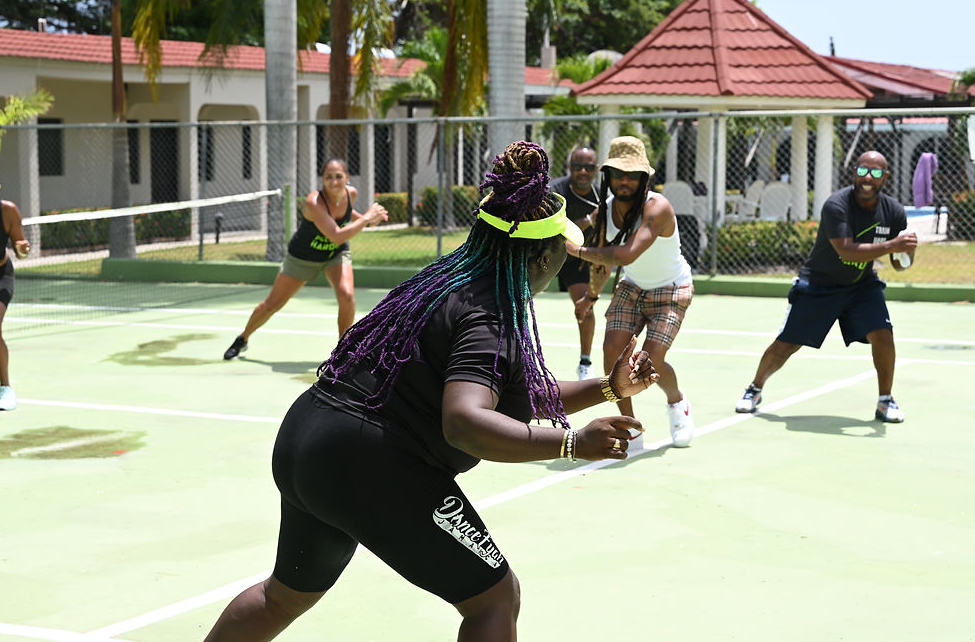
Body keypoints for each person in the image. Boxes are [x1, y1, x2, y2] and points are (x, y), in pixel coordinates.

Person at [203, 141, 660, 642]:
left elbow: (511, 395)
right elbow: (465, 421)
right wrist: (572, 443)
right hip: (368, 461)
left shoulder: (448, 281)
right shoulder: (490, 315)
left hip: (307, 438)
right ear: (542, 253)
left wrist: (608, 389)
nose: (562, 259)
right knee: (494, 599)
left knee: (284, 596)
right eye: (560, 248)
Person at [734, 151, 918, 423]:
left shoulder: (893, 211)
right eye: (863, 170)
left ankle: (885, 401)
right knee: (787, 343)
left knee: (883, 335)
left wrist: (907, 254)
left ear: (885, 177)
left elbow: (899, 263)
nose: (868, 177)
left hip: (861, 286)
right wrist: (893, 246)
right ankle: (755, 389)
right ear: (854, 172)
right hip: (819, 283)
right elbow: (847, 251)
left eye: (876, 172)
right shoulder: (837, 205)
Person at [567, 135, 696, 448]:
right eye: (618, 174)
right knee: (612, 353)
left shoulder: (658, 208)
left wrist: (577, 251)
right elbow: (605, 264)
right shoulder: (605, 210)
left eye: (632, 175)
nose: (625, 181)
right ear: (608, 176)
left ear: (644, 178)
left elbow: (625, 255)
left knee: (649, 360)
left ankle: (678, 403)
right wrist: (591, 297)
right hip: (632, 286)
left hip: (671, 289)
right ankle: (629, 427)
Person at [223, 159, 388, 359]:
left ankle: (343, 351)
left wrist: (366, 219)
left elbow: (345, 215)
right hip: (302, 257)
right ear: (322, 179)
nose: (334, 181)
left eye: (338, 176)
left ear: (347, 178)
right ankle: (243, 338)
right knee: (272, 305)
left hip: (334, 254)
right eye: (328, 177)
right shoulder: (313, 202)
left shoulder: (351, 194)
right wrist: (366, 218)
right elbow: (336, 235)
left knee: (347, 295)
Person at [550, 146, 601, 380]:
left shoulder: (602, 197)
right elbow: (559, 229)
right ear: (569, 167)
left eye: (589, 167)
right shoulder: (555, 191)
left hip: (579, 260)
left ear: (596, 169)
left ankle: (585, 363)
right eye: (578, 166)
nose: (583, 171)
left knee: (586, 307)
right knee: (518, 301)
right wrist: (590, 219)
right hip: (547, 254)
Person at [0, 184, 32, 411]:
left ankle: (6, 388)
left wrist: (22, 248)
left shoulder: (7, 211)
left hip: (1, 275)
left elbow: (21, 246)